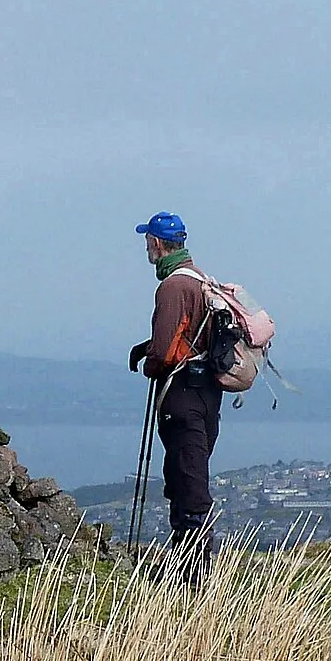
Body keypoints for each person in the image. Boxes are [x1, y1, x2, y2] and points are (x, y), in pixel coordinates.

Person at [127, 212, 220, 578]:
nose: (146, 247)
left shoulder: (172, 287)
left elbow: (165, 352)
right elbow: (190, 338)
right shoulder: (199, 280)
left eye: (147, 240)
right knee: (188, 473)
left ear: (157, 243)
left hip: (181, 395)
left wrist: (150, 362)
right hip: (206, 394)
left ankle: (195, 574)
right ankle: (190, 567)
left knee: (187, 479)